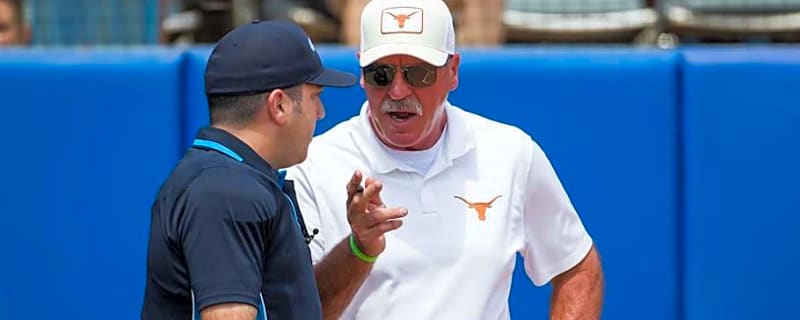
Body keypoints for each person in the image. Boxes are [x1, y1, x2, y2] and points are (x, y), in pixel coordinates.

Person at [286, 0, 605, 319]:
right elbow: (296, 313)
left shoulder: (511, 153)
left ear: (452, 72)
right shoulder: (312, 167)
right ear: (361, 74)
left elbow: (577, 266)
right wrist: (358, 250)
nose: (397, 91)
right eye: (380, 74)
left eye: (418, 74)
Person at [142, 20, 359, 320]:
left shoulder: (230, 180)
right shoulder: (226, 191)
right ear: (279, 105)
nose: (320, 112)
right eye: (314, 97)